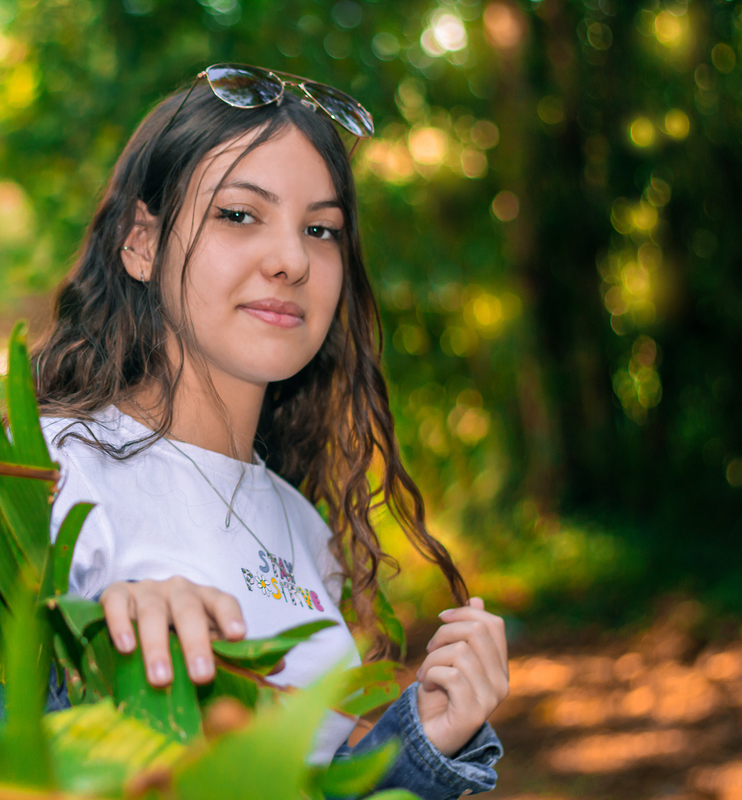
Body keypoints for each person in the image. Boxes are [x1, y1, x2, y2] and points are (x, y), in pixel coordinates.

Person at [30, 65, 508, 798]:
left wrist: (424, 738)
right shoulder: (48, 470)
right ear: (141, 244)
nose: (292, 260)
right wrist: (100, 660)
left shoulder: (303, 530)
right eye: (239, 214)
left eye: (321, 230)